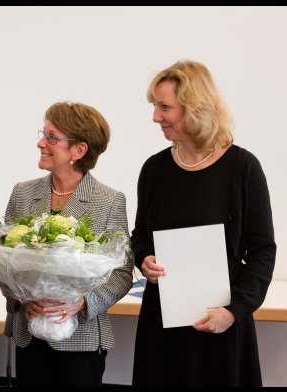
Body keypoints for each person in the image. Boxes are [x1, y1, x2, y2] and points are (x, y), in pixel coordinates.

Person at [131, 60, 276, 386]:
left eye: (164, 106)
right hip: (162, 329)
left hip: (222, 326)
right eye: (155, 106)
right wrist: (144, 259)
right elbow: (139, 237)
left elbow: (262, 251)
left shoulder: (243, 168)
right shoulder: (154, 170)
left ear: (194, 108)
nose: (156, 116)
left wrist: (234, 311)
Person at [2, 102, 133, 387]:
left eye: (51, 137)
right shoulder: (22, 193)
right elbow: (4, 264)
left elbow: (122, 274)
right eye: (43, 134)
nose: (41, 143)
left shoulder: (109, 201)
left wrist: (82, 303)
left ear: (79, 150)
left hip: (82, 341)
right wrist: (24, 298)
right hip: (29, 335)